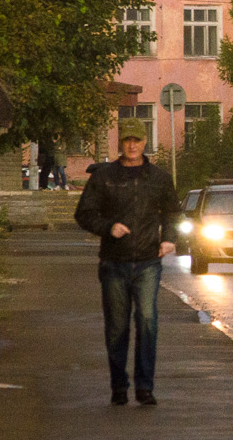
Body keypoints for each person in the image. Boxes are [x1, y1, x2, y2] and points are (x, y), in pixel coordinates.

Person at [74, 118, 181, 406]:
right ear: (120, 142)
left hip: (147, 261)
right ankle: (119, 386)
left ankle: (145, 387)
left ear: (145, 142)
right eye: (127, 140)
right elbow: (84, 213)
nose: (132, 146)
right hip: (114, 262)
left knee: (147, 320)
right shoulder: (104, 177)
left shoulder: (158, 178)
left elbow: (172, 211)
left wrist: (168, 238)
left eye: (137, 140)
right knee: (117, 327)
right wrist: (109, 227)